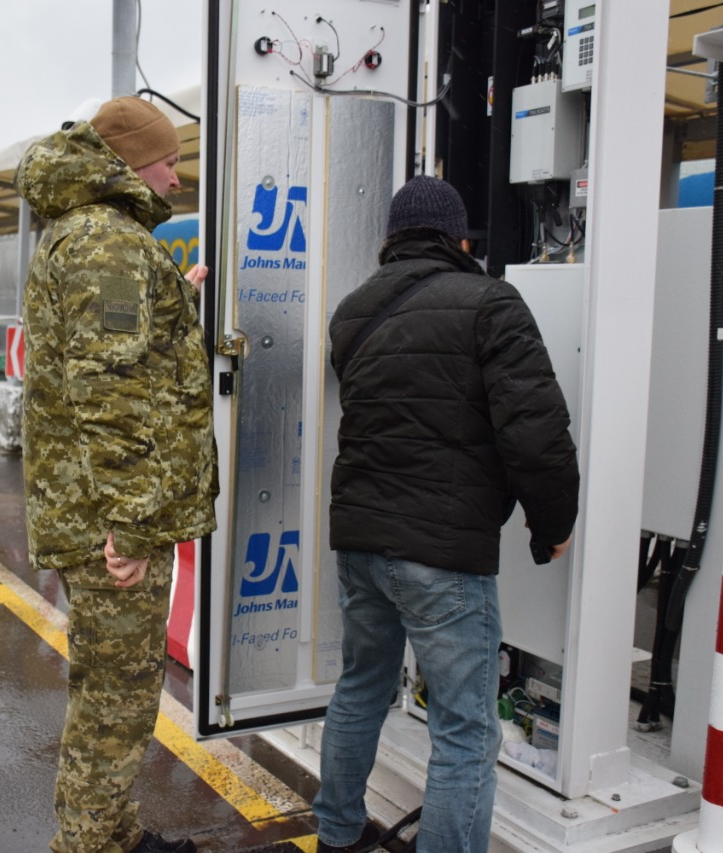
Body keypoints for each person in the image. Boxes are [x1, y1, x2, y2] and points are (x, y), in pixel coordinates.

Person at [313, 176, 579, 853]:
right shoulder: (491, 303)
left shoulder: (350, 312)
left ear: (391, 240)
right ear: (461, 239)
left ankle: (337, 833)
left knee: (361, 688)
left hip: (362, 543)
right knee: (465, 729)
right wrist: (551, 525)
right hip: (443, 555)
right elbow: (536, 434)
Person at [13, 96, 218, 853]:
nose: (176, 174)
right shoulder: (109, 244)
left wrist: (175, 300)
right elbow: (115, 397)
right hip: (110, 523)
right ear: (131, 161)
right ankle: (93, 844)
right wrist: (132, 526)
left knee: (108, 690)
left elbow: (107, 356)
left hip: (86, 508)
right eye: (168, 159)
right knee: (118, 699)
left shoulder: (92, 237)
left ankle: (108, 832)